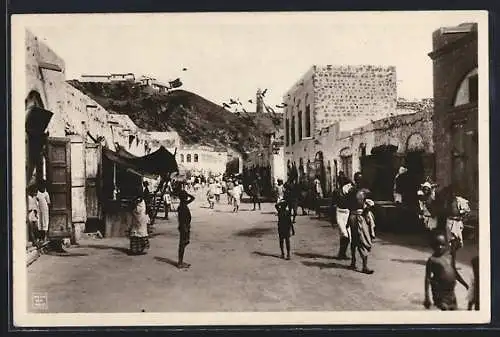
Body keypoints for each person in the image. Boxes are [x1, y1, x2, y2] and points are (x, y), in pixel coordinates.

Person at [424, 233, 468, 310]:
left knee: (453, 311)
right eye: (437, 245)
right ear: (432, 246)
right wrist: (427, 297)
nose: (440, 247)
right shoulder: (432, 260)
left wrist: (465, 284)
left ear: (446, 245)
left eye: (442, 245)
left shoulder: (449, 257)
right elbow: (427, 279)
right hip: (440, 293)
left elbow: (455, 272)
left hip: (451, 293)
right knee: (445, 310)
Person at [446, 188, 470, 268]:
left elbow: (466, 211)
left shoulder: (460, 201)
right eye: (449, 193)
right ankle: (452, 262)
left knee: (459, 243)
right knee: (452, 242)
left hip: (457, 223)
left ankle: (452, 254)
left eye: (452, 193)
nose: (451, 195)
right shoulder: (447, 202)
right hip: (450, 222)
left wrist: (461, 214)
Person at [176, 183, 195, 269]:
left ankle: (180, 261)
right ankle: (180, 262)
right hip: (184, 227)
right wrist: (185, 229)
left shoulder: (183, 204)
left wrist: (184, 194)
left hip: (185, 226)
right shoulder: (183, 206)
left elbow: (193, 198)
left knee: (184, 243)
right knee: (182, 244)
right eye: (185, 196)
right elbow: (182, 220)